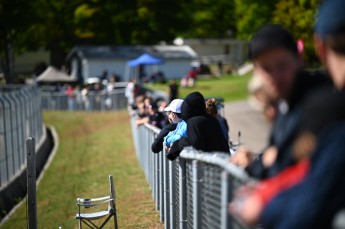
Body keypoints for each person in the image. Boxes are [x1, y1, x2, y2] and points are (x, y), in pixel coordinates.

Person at [230, 24, 331, 179]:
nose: (275, 76)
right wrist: (253, 163)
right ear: (256, 70)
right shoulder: (285, 105)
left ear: (299, 60)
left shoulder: (318, 97)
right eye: (266, 68)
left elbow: (284, 164)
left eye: (282, 65)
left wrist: (260, 164)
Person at [167, 92, 229, 160]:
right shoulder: (212, 120)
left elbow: (196, 143)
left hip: (211, 165)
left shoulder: (194, 122)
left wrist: (179, 144)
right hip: (224, 162)